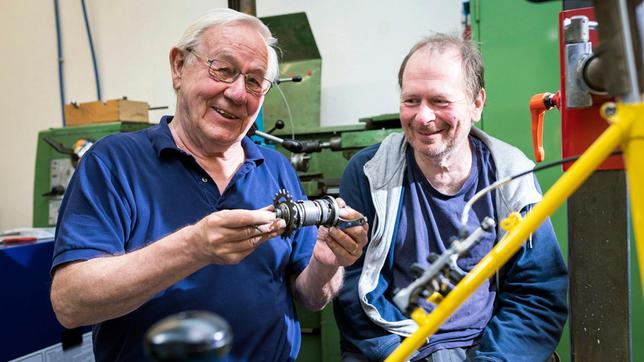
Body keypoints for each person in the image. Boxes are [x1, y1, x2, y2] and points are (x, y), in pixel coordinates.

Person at [49, 8, 368, 362]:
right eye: (224, 69)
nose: (236, 93)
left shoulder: (275, 166)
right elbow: (70, 304)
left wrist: (327, 263)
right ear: (178, 67)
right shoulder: (113, 163)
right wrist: (193, 247)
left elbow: (311, 296)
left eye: (254, 81)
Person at [334, 34, 568, 362]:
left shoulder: (511, 176)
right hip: (398, 347)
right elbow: (350, 285)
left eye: (440, 101)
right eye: (411, 100)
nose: (423, 117)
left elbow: (537, 293)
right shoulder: (369, 173)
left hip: (488, 347)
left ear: (477, 103)